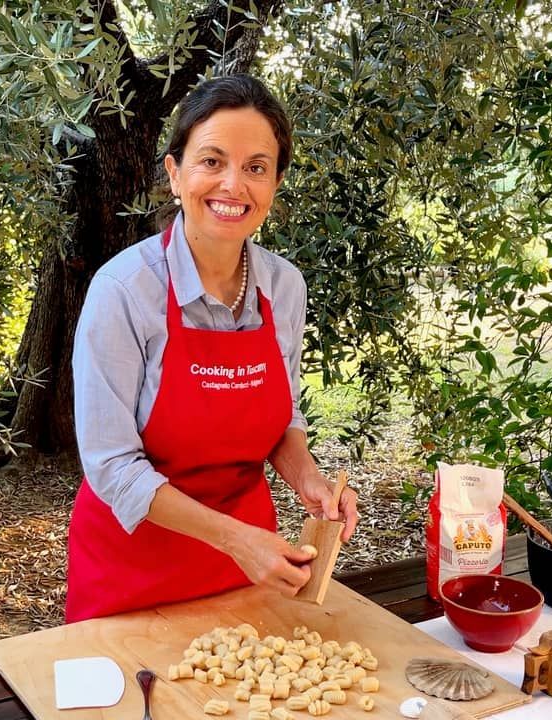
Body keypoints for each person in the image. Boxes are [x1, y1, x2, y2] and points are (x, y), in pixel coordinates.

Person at [65, 74, 360, 622]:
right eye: (211, 161)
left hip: (248, 572)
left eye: (256, 167)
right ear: (175, 174)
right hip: (130, 575)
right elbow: (111, 465)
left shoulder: (284, 287)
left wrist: (309, 481)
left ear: (273, 184)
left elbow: (281, 417)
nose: (233, 185)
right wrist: (238, 540)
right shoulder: (124, 291)